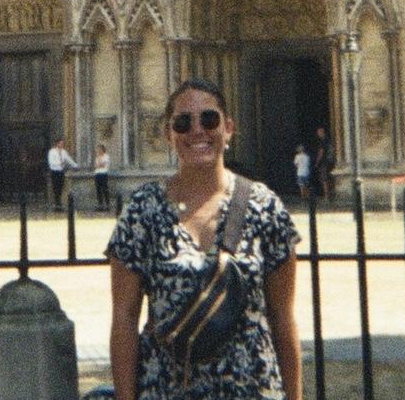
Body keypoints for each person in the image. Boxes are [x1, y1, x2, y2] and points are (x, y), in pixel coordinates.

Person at [106, 78, 302, 400]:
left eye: (208, 119)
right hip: (167, 389)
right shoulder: (143, 210)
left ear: (228, 128)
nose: (197, 130)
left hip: (252, 389)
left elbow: (283, 318)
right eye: (183, 123)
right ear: (169, 135)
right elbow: (124, 319)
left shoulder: (265, 207)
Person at [47, 136, 77, 211]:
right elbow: (51, 162)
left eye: (62, 143)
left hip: (61, 171)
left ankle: (59, 203)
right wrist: (60, 163)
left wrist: (76, 165)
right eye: (60, 143)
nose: (62, 145)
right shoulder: (52, 151)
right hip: (54, 171)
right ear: (57, 144)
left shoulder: (64, 152)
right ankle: (57, 204)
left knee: (60, 187)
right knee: (55, 188)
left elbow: (68, 159)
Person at [312, 126, 334, 202]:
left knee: (324, 179)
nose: (318, 134)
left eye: (319, 132)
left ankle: (327, 196)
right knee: (328, 178)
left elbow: (321, 152)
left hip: (324, 162)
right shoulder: (329, 140)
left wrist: (317, 162)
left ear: (322, 132)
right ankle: (330, 194)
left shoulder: (322, 141)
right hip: (330, 161)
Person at [94, 142, 112, 212]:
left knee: (105, 189)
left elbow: (102, 165)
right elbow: (96, 165)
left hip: (103, 174)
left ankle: (107, 205)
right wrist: (99, 160)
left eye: (99, 149)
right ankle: (100, 205)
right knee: (98, 190)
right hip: (97, 174)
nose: (98, 151)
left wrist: (100, 163)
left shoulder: (106, 156)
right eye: (97, 149)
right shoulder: (97, 157)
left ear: (102, 149)